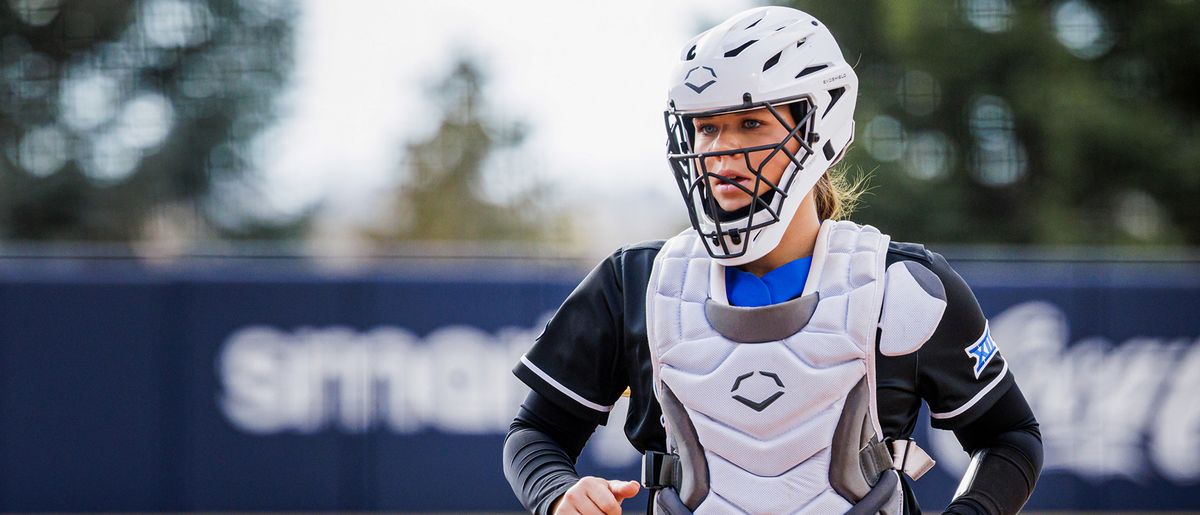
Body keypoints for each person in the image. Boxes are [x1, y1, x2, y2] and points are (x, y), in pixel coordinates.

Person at [503, 6, 1042, 515]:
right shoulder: (637, 284)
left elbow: (1010, 438)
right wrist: (559, 493)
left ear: (817, 127)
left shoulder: (901, 287)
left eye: (750, 124)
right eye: (707, 127)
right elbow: (535, 435)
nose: (719, 152)